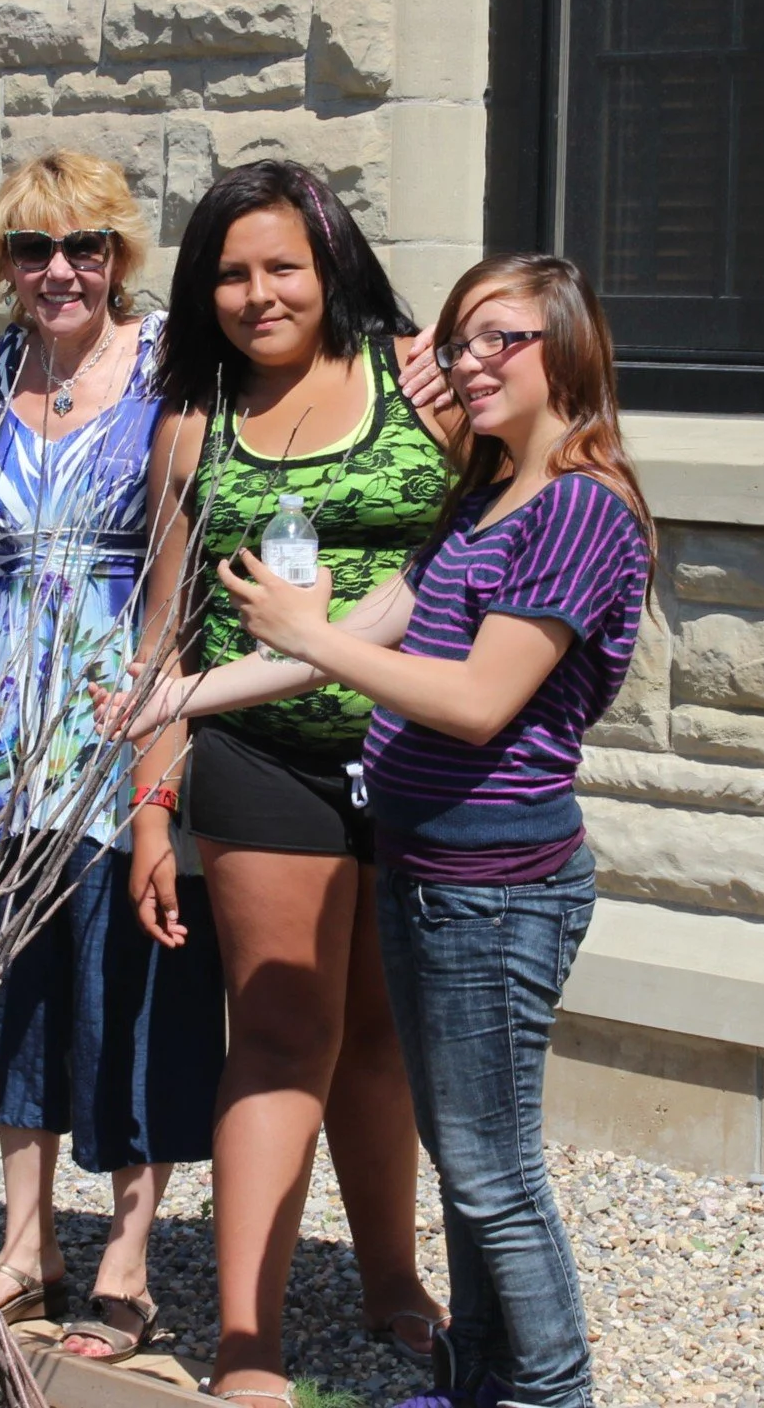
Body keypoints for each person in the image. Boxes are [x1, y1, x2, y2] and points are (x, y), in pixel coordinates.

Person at [101, 253, 652, 1408]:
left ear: (570, 346)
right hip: (431, 865)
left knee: (494, 1171)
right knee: (469, 1165)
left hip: (498, 886)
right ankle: (485, 1378)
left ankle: (550, 1393)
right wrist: (167, 701)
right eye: (459, 342)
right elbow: (365, 626)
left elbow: (473, 698)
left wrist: (306, 626)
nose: (471, 362)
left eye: (503, 338)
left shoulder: (581, 507)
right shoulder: (490, 494)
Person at [131, 160, 452, 1401]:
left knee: (380, 1035)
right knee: (278, 1029)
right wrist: (155, 800)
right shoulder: (192, 426)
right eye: (228, 271)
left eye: (281, 266)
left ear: (330, 265)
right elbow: (159, 631)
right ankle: (247, 1343)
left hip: (416, 752)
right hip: (259, 756)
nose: (257, 293)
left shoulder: (419, 386)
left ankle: (392, 1280)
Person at [0, 149, 224, 1364]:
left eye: (86, 246)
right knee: (12, 971)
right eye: (35, 248)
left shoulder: (168, 365)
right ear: (5, 262)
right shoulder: (0, 364)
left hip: (117, 707)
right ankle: (24, 1240)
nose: (61, 270)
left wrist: (160, 714)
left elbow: (182, 556)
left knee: (127, 965)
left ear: (121, 255)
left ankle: (127, 1252)